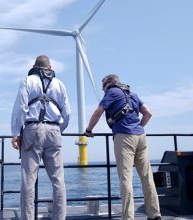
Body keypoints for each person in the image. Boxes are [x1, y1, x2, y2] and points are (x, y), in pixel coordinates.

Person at [84, 74, 161, 220]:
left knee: (126, 179)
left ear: (112, 82)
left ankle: (128, 217)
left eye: (104, 84)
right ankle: (155, 214)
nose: (102, 88)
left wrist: (88, 130)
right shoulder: (133, 94)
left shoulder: (112, 92)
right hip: (141, 137)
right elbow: (148, 113)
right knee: (147, 177)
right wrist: (138, 127)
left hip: (124, 137)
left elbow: (98, 112)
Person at [11, 55, 71, 220]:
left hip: (33, 130)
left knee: (28, 181)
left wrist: (15, 133)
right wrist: (59, 130)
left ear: (34, 66)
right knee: (58, 180)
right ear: (50, 67)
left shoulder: (28, 80)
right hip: (54, 131)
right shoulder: (60, 84)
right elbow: (67, 113)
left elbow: (21, 108)